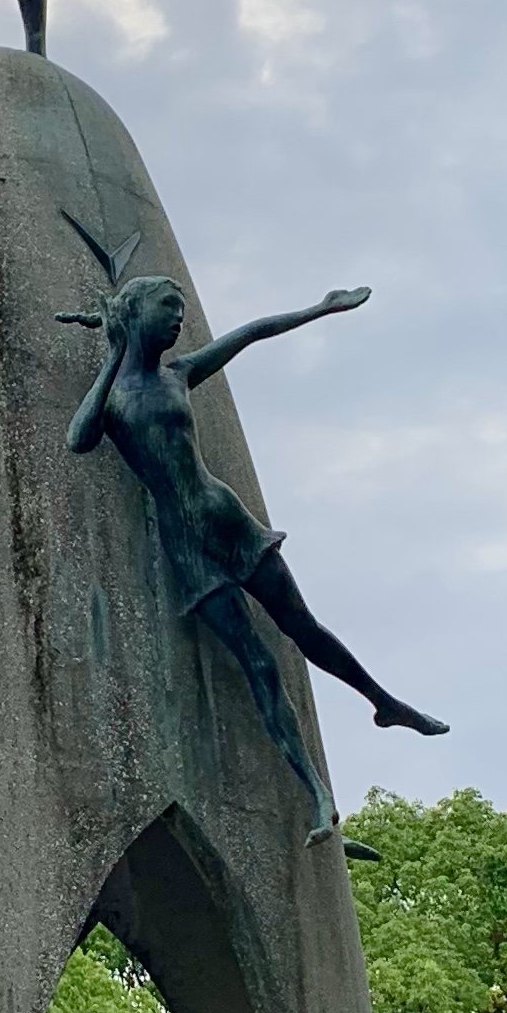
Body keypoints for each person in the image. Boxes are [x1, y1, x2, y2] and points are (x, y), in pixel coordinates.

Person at [61, 237, 447, 835]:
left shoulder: (179, 374)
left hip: (228, 520)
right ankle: (317, 793)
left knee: (304, 627)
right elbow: (78, 439)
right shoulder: (113, 400)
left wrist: (321, 309)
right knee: (258, 666)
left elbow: (252, 333)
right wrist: (112, 354)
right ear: (135, 314)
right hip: (189, 550)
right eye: (168, 308)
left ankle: (384, 703)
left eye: (181, 309)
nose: (179, 320)